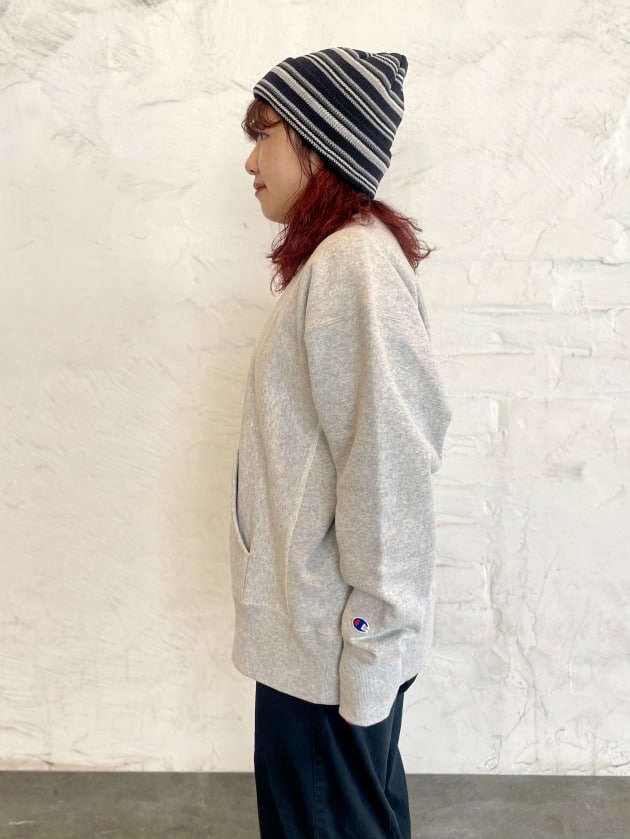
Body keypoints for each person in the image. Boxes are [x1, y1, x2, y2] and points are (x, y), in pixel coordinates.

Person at [230, 47, 452, 839]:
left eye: (265, 134)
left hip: (332, 666)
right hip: (315, 651)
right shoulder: (338, 261)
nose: (250, 160)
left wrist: (368, 652)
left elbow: (388, 468)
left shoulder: (353, 265)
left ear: (318, 145)